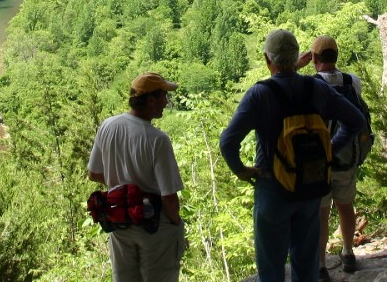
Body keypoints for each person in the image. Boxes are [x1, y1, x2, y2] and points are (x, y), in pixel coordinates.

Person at [220, 29, 365, 282]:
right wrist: (328, 150)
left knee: (271, 267)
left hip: (272, 186)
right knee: (306, 265)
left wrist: (242, 171)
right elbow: (356, 120)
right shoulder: (316, 88)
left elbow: (228, 142)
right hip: (310, 186)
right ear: (298, 56)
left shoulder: (259, 94)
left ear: (268, 60)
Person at [88, 72, 186, 282]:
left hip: (120, 223)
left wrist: (123, 187)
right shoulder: (158, 140)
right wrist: (177, 224)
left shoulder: (108, 126)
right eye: (163, 96)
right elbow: (169, 197)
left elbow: (94, 173)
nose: (166, 102)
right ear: (150, 100)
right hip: (155, 226)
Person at [306, 35, 366, 276]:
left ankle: (320, 265)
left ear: (314, 58)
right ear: (336, 56)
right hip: (347, 155)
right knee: (346, 205)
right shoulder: (353, 82)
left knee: (321, 212)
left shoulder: (309, 85)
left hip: (318, 159)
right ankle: (348, 253)